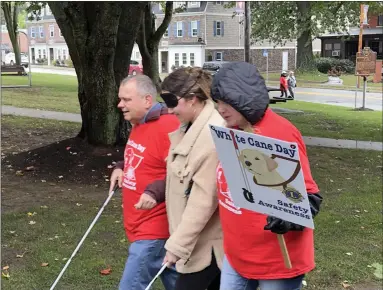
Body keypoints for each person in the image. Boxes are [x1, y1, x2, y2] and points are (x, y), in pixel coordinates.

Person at [210, 62, 323, 290]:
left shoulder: (281, 132)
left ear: (245, 97)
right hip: (237, 255)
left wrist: (290, 218)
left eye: (226, 102)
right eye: (217, 102)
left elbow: (310, 196)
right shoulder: (231, 130)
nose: (220, 109)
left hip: (275, 262)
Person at [141, 67, 225, 290]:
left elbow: (203, 201)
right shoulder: (187, 129)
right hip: (193, 246)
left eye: (171, 102)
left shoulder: (210, 136)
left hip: (208, 251)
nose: (168, 111)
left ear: (193, 99)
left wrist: (177, 247)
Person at [109, 75, 180, 290]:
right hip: (138, 222)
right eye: (120, 99)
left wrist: (154, 192)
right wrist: (120, 166)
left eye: (127, 100)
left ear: (147, 100)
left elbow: (183, 172)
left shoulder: (169, 126)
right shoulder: (139, 122)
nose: (120, 105)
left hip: (155, 228)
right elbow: (142, 155)